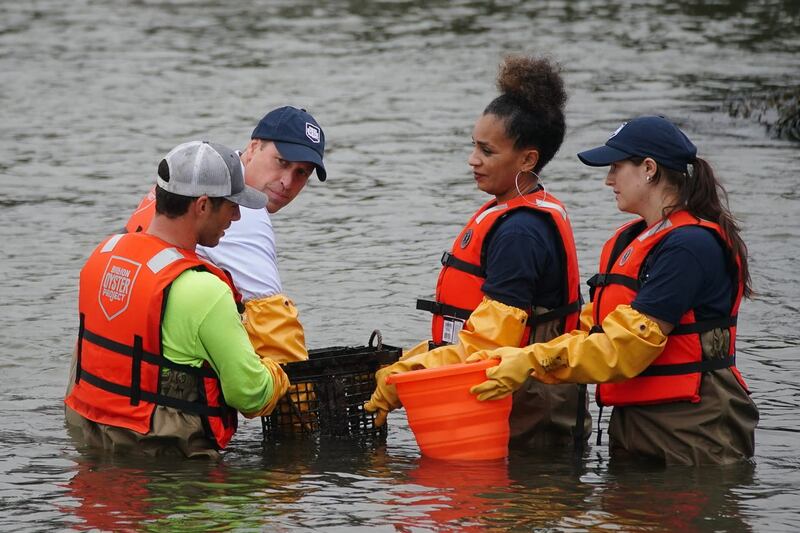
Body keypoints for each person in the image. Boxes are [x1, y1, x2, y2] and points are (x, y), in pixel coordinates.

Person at [470, 116, 759, 465]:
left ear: (649, 168)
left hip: (694, 432)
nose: (608, 180)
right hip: (638, 426)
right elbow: (594, 327)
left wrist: (533, 360)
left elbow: (628, 347)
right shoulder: (631, 240)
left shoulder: (690, 247)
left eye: (617, 167)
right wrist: (508, 354)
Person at [365, 55, 589, 448]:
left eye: (487, 151)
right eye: (474, 146)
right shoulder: (512, 211)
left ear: (528, 159)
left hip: (527, 416)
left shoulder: (521, 232)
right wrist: (410, 360)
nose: (473, 159)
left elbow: (489, 344)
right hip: (507, 404)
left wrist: (406, 377)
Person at [65, 141, 290, 458]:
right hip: (168, 468)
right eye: (231, 205)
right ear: (201, 206)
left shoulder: (102, 256)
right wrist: (278, 373)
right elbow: (250, 395)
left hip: (94, 446)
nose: (237, 217)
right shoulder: (204, 291)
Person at [125, 106, 327, 363]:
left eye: (302, 173)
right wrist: (304, 394)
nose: (287, 182)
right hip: (154, 378)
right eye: (282, 162)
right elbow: (275, 332)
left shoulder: (197, 170)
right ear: (253, 147)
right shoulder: (247, 216)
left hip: (106, 360)